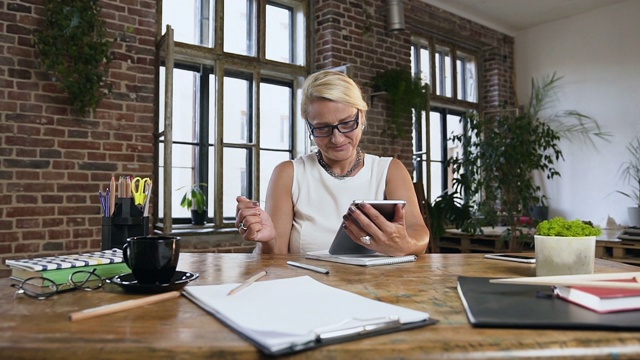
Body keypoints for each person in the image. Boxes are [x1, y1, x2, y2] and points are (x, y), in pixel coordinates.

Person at [235, 70, 429, 256]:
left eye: (346, 124)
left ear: (361, 116)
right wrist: (267, 242)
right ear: (309, 127)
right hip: (307, 285)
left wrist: (405, 245)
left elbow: (419, 233)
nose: (337, 138)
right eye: (322, 128)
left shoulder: (389, 170)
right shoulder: (289, 173)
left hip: (374, 285)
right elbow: (275, 257)